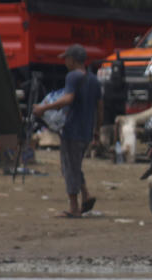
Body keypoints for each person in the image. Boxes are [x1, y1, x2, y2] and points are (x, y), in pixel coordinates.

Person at [33, 44, 102, 218]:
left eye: (66, 59)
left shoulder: (73, 76)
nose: (65, 62)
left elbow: (68, 99)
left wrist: (44, 108)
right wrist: (97, 130)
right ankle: (86, 194)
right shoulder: (94, 79)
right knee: (75, 165)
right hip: (86, 131)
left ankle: (74, 207)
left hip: (72, 130)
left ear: (72, 60)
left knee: (69, 168)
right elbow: (100, 107)